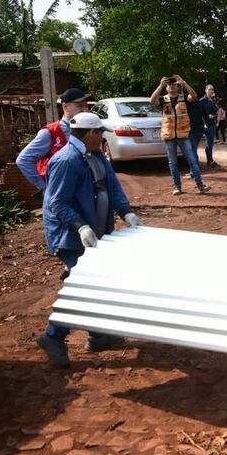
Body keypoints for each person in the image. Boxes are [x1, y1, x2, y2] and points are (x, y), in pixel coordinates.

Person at [36, 112, 143, 367]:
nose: (103, 136)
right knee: (86, 289)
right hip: (72, 236)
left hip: (94, 233)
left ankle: (98, 335)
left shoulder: (96, 156)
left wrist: (126, 212)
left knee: (98, 284)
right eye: (101, 132)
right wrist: (81, 226)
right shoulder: (66, 161)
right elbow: (57, 203)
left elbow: (112, 187)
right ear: (91, 134)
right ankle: (53, 337)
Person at [15, 88, 89, 199]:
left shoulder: (89, 129)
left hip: (83, 192)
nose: (85, 110)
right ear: (65, 106)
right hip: (61, 195)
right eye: (80, 106)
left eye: (85, 106)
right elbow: (23, 160)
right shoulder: (51, 132)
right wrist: (44, 187)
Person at [150, 75, 210, 195]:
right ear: (166, 87)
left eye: (173, 84)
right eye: (169, 84)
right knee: (173, 162)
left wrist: (184, 83)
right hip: (169, 136)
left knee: (192, 160)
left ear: (177, 87)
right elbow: (152, 101)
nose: (171, 86)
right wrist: (160, 85)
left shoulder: (184, 98)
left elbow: (194, 96)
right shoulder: (163, 99)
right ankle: (177, 187)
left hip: (183, 135)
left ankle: (200, 185)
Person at [200, 84, 220, 168]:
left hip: (212, 123)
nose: (211, 91)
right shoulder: (202, 101)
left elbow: (216, 111)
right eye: (209, 89)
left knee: (211, 143)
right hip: (206, 124)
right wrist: (206, 117)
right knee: (209, 143)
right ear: (205, 90)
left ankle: (210, 160)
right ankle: (210, 161)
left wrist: (216, 119)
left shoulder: (212, 100)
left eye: (212, 89)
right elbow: (198, 113)